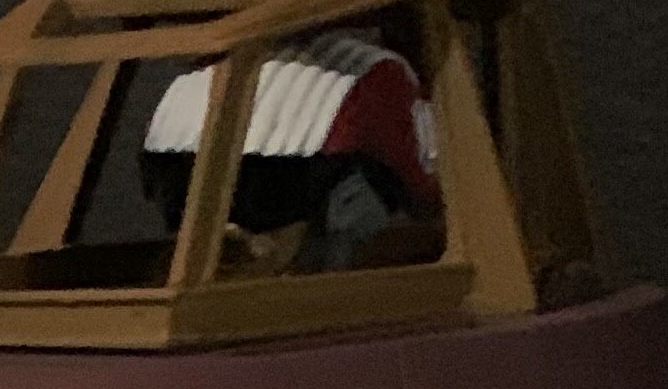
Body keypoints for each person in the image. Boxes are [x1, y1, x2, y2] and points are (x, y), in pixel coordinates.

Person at [138, 30, 441, 276]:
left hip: (201, 166)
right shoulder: (384, 79)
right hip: (272, 179)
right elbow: (425, 195)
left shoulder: (373, 76)